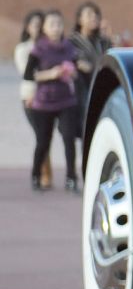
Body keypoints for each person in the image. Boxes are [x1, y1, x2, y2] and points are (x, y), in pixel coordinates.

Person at [23, 10, 84, 192]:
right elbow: (28, 75)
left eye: (59, 24)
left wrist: (72, 73)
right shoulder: (38, 49)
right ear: (44, 28)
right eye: (52, 24)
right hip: (44, 102)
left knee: (68, 139)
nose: (56, 28)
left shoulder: (69, 47)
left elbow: (78, 71)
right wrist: (51, 74)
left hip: (66, 100)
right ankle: (36, 174)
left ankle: (71, 177)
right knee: (43, 140)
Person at [14, 10, 53, 188]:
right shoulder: (23, 49)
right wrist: (52, 73)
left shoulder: (49, 47)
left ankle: (46, 174)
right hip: (30, 96)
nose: (38, 28)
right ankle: (40, 174)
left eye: (40, 25)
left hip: (50, 96)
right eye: (34, 25)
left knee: (46, 136)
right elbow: (27, 74)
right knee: (41, 136)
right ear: (28, 28)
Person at [70, 0, 112, 136]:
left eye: (96, 15)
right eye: (89, 14)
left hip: (101, 89)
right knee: (85, 129)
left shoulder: (104, 41)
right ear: (79, 19)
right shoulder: (72, 42)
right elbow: (73, 63)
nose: (94, 17)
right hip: (81, 91)